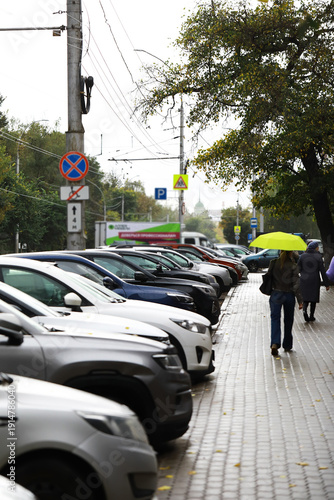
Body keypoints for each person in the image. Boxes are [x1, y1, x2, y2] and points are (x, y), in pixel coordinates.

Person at [269, 250, 303, 356]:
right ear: (290, 253)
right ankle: (287, 344)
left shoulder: (273, 262)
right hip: (288, 295)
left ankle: (275, 342)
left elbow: (269, 277)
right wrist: (300, 300)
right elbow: (296, 284)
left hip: (276, 294)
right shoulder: (293, 265)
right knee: (288, 320)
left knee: (275, 319)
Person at [298, 241, 329, 322]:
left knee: (305, 298)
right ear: (316, 248)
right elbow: (322, 271)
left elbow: (298, 269)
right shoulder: (318, 257)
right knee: (313, 299)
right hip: (314, 280)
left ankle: (304, 311)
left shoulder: (302, 256)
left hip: (304, 279)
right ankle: (311, 316)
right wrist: (326, 284)